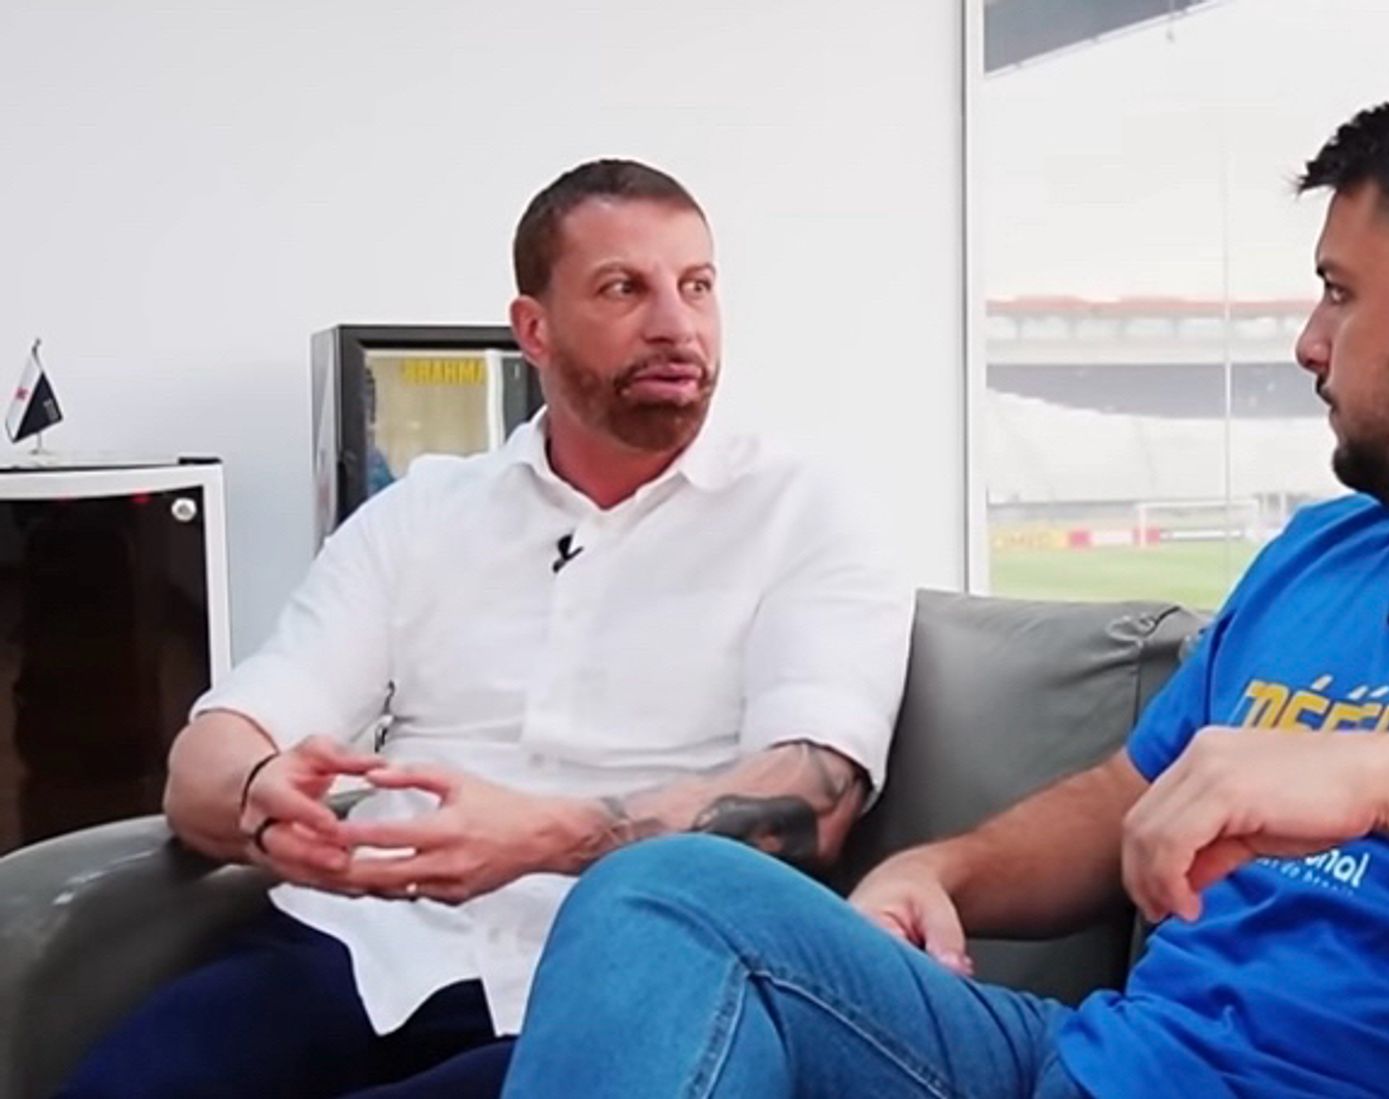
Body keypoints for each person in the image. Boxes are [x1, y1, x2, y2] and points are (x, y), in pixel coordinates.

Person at [501, 86, 1389, 1099]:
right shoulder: (1324, 554)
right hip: (1086, 1062)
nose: (1308, 341)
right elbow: (1129, 795)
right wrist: (939, 868)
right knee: (666, 894)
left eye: (1340, 292)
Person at [58, 159, 913, 1099]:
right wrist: (263, 798)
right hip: (369, 941)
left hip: (623, 967)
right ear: (533, 329)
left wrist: (545, 837)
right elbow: (216, 749)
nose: (677, 324)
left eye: (697, 285)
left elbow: (814, 800)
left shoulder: (808, 513)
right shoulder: (422, 513)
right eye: (624, 288)